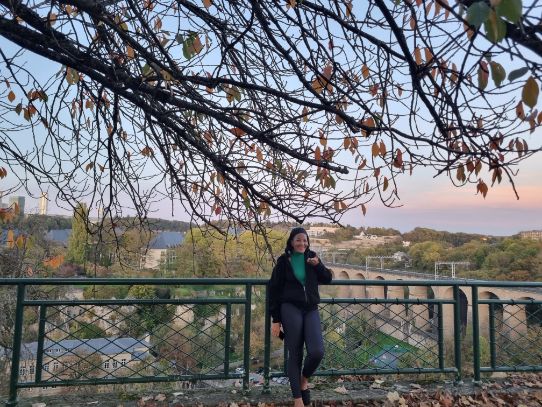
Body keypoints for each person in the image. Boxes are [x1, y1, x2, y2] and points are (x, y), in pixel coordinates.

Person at [268, 227, 333, 407]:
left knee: (317, 351)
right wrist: (275, 319)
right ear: (291, 242)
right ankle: (298, 399)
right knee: (295, 354)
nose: (302, 243)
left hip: (310, 309)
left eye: (305, 240)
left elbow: (328, 278)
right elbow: (273, 290)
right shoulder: (283, 262)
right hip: (290, 308)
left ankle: (304, 379)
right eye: (298, 240)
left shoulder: (312, 257)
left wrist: (318, 265)